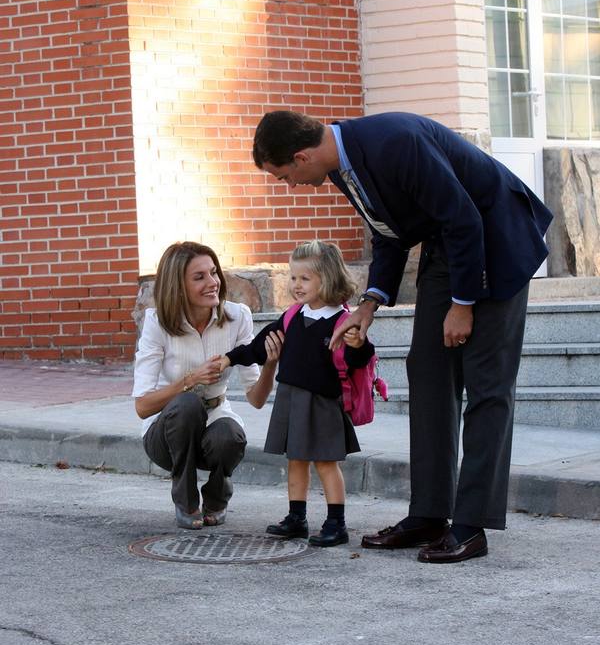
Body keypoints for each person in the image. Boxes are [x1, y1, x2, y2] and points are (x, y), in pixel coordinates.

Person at [251, 110, 553, 563]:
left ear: (301, 156)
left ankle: (471, 526)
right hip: (449, 243)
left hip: (497, 238)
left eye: (284, 176)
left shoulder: (395, 142)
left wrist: (463, 304)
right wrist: (368, 305)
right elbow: (387, 233)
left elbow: (465, 217)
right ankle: (429, 514)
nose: (290, 185)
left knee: (487, 385)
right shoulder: (341, 164)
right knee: (428, 373)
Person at [219, 240, 375, 547]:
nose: (296, 284)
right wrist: (229, 358)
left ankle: (336, 523)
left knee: (326, 463)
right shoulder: (291, 317)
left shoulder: (343, 322)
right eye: (293, 277)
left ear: (327, 279)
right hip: (290, 399)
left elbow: (359, 358)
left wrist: (359, 345)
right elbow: (259, 346)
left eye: (305, 278)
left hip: (322, 403)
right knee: (296, 460)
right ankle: (296, 518)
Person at [133, 241, 281, 530]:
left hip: (214, 417)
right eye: (199, 277)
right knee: (186, 404)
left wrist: (270, 364)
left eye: (213, 273)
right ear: (178, 286)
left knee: (230, 435)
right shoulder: (157, 323)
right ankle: (186, 501)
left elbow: (256, 398)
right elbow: (142, 406)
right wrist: (190, 380)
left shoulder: (237, 317)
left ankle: (217, 497)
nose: (213, 282)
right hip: (165, 434)